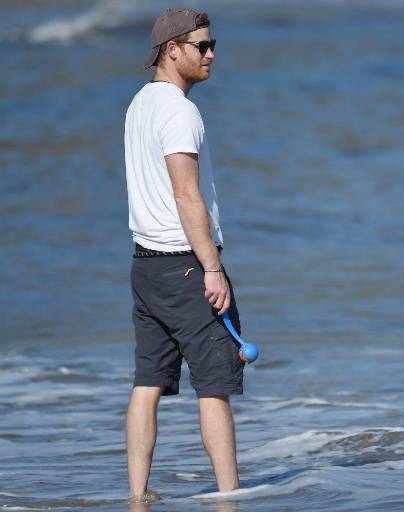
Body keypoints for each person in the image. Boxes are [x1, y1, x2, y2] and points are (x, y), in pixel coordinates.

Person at [123, 8, 243, 501]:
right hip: (185, 264)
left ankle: (137, 496)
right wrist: (213, 270)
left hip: (145, 266)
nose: (212, 53)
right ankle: (230, 497)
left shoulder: (139, 105)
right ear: (173, 50)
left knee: (147, 381)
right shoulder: (177, 110)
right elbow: (186, 194)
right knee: (215, 382)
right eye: (203, 46)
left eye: (213, 44)